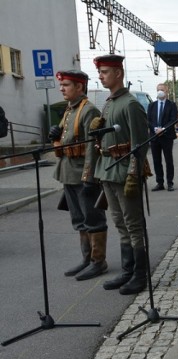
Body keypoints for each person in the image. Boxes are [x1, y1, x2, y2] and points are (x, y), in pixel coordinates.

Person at [91, 54, 150, 295]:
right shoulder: (109, 103)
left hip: (125, 170)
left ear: (118, 73)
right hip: (108, 169)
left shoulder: (130, 104)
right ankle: (128, 270)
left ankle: (140, 274)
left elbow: (140, 143)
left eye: (105, 72)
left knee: (133, 225)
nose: (101, 76)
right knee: (120, 223)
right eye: (100, 72)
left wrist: (133, 176)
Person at [49, 70, 108, 281]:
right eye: (61, 85)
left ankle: (98, 262)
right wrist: (55, 137)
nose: (61, 88)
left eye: (66, 85)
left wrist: (90, 176)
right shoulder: (69, 109)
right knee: (80, 219)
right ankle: (87, 258)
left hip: (82, 173)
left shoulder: (88, 110)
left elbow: (93, 146)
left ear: (79, 87)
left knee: (93, 218)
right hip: (68, 172)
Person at [147, 83, 177, 191]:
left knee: (168, 160)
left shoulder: (171, 105)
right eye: (158, 89)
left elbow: (173, 119)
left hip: (167, 136)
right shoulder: (152, 105)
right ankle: (160, 183)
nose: (160, 91)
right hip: (154, 137)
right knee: (156, 160)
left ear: (166, 91)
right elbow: (148, 120)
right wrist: (155, 129)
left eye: (162, 90)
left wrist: (163, 129)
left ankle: (170, 183)